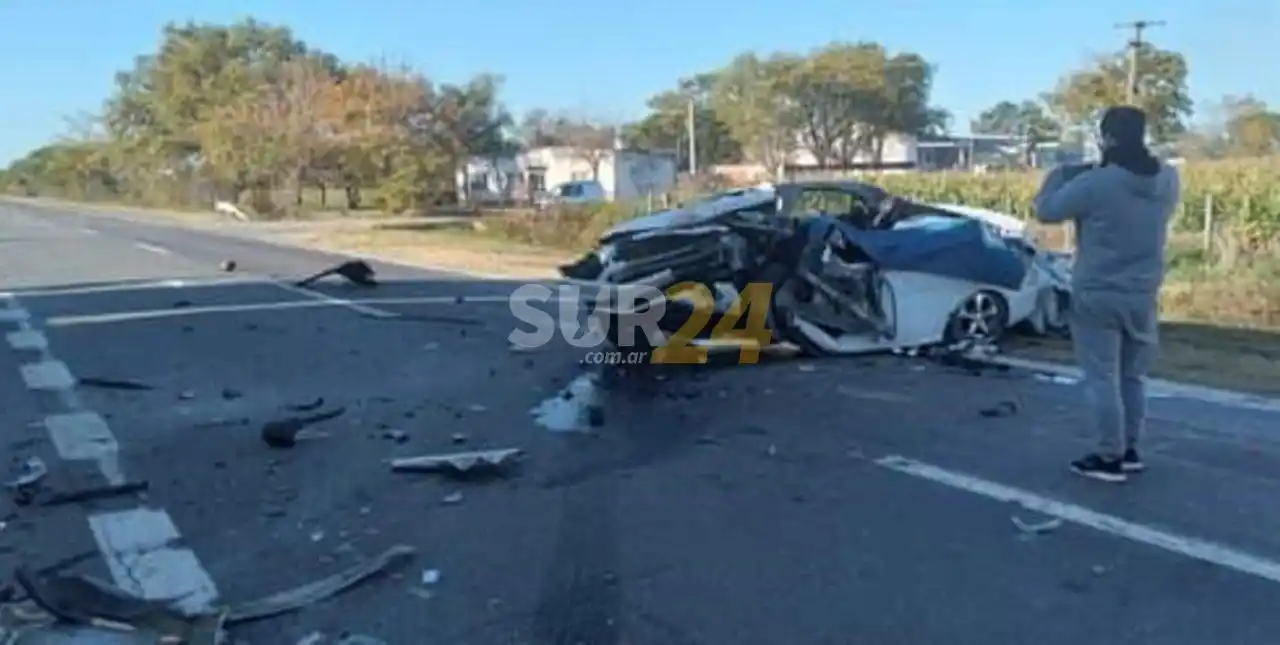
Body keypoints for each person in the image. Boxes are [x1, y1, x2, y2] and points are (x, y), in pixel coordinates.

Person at [1032, 105, 1181, 483]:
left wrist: (1061, 173)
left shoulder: (1097, 183)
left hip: (1098, 290)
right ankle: (1130, 449)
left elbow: (1046, 211)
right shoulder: (1168, 179)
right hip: (1143, 291)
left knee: (1102, 378)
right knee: (1133, 377)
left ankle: (1108, 456)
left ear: (1108, 138)